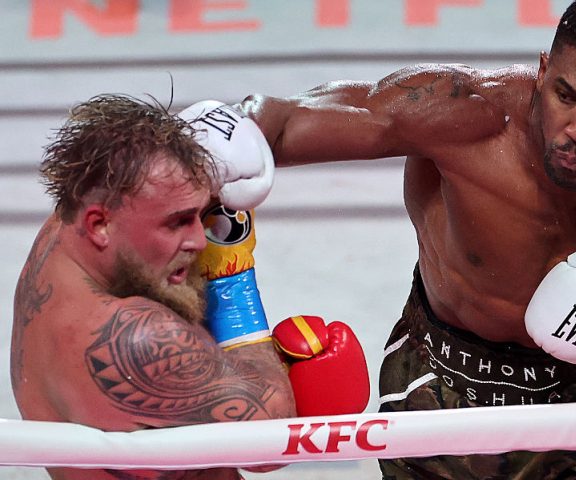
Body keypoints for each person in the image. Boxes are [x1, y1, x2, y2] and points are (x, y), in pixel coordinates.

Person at [229, 0, 576, 478]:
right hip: (445, 374)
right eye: (566, 94)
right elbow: (284, 122)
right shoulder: (463, 112)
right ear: (542, 72)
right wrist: (227, 134)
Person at [11, 94, 369, 480]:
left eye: (200, 216)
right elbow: (269, 440)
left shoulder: (65, 232)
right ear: (101, 225)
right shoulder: (141, 338)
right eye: (178, 221)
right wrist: (233, 285)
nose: (201, 241)